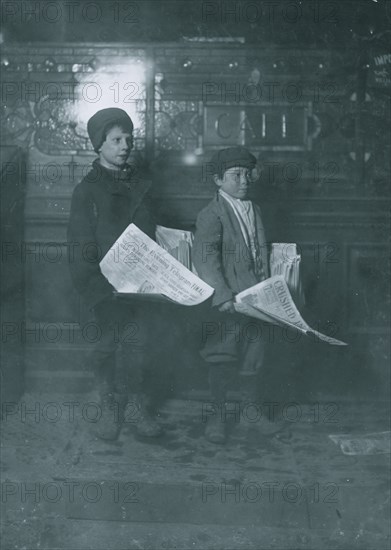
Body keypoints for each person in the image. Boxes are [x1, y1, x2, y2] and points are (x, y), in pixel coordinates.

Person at [67, 107, 163, 440]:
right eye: (116, 140)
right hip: (104, 289)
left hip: (139, 284)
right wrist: (96, 288)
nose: (125, 146)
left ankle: (136, 407)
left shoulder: (141, 186)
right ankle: (108, 407)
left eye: (129, 139)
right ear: (99, 145)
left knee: (139, 346)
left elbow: (153, 234)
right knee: (106, 348)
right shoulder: (87, 191)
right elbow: (81, 247)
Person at [192, 147, 270, 444]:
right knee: (222, 356)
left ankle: (251, 411)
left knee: (255, 354)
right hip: (227, 303)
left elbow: (259, 249)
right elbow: (205, 257)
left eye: (248, 174)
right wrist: (222, 295)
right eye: (235, 175)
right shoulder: (212, 214)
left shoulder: (254, 208)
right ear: (217, 180)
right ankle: (218, 415)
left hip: (256, 297)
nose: (244, 181)